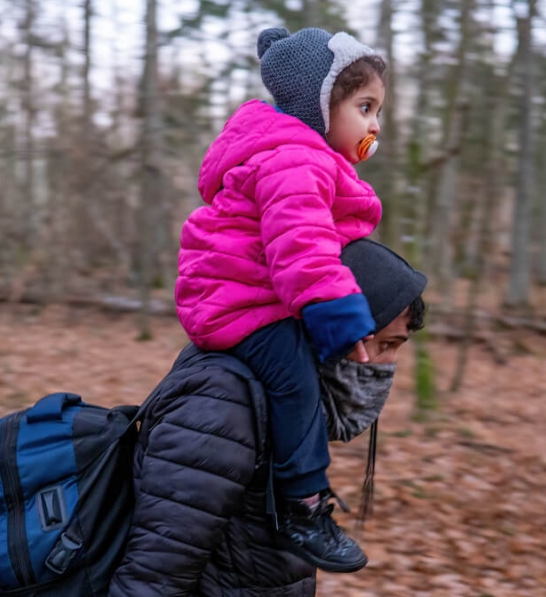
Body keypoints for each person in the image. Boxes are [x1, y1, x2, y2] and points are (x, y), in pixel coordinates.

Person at [174, 27, 388, 572]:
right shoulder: (296, 159)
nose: (374, 125)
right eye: (364, 107)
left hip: (247, 291)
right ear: (321, 106)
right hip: (235, 299)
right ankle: (302, 503)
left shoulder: (301, 156)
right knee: (294, 375)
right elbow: (302, 247)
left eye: (377, 110)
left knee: (300, 369)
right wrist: (340, 316)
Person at [109, 239, 427, 597]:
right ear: (332, 329)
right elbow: (155, 574)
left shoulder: (284, 405)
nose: (388, 365)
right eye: (385, 345)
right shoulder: (223, 404)